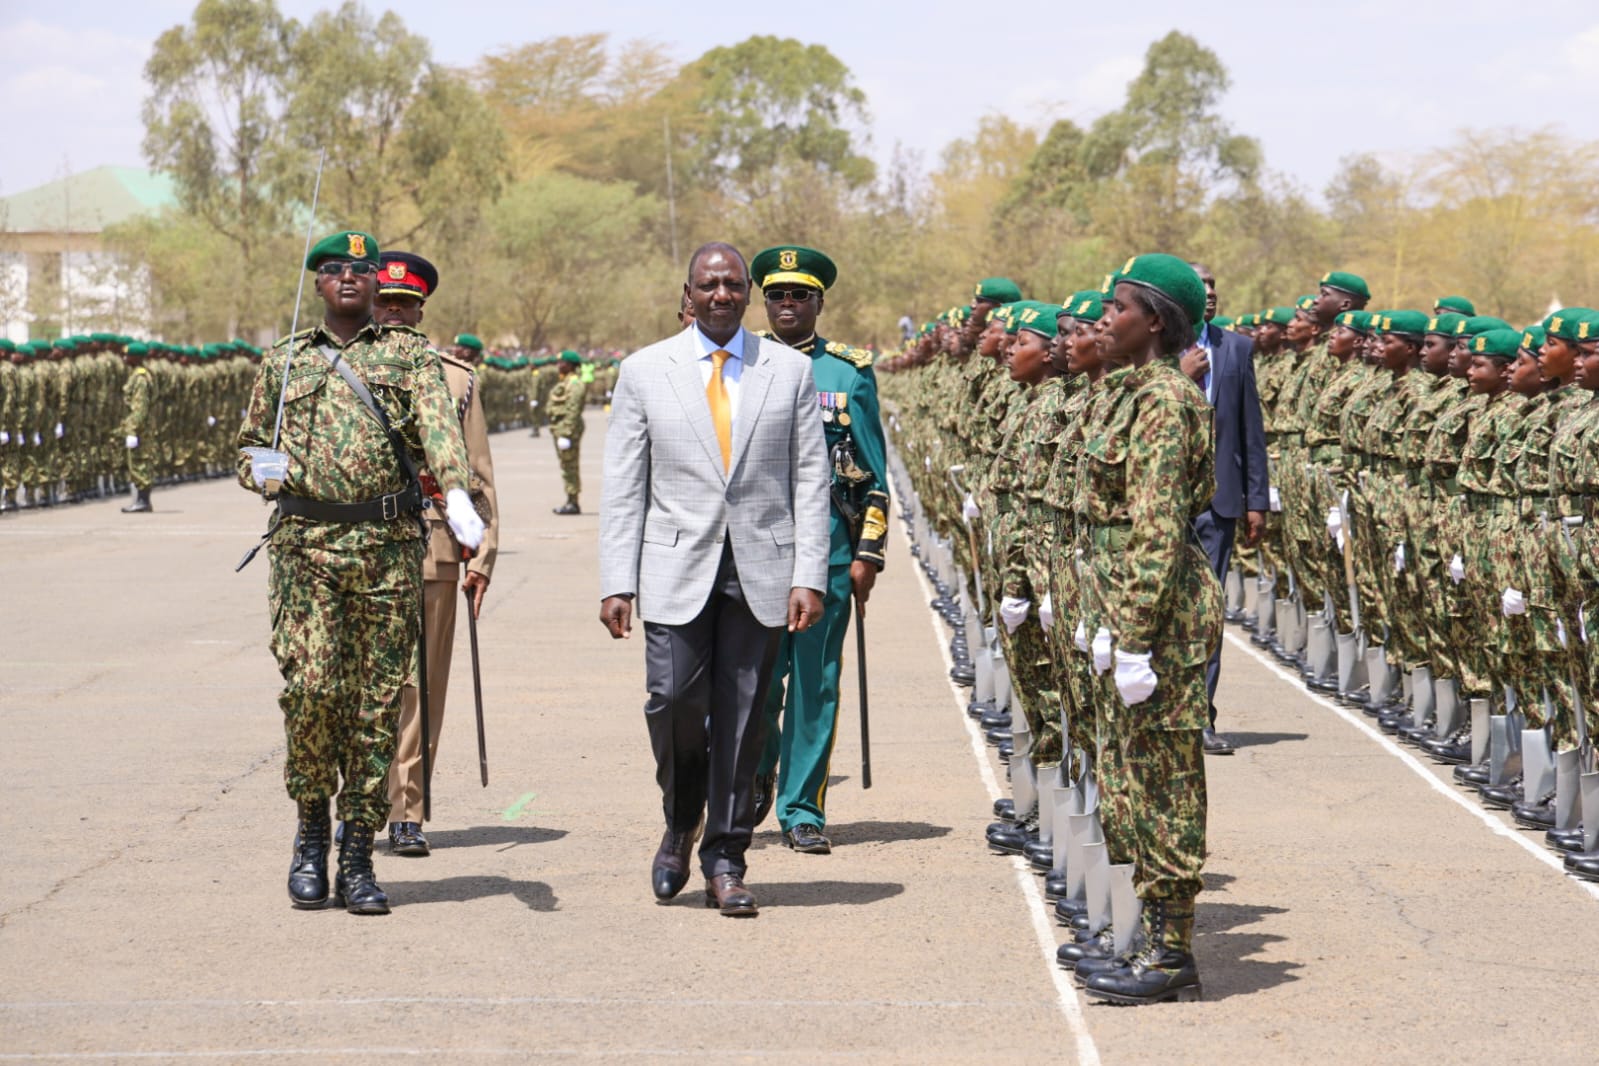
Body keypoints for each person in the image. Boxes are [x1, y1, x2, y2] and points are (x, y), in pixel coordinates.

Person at [235, 230, 483, 916]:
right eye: (335, 269)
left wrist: (456, 492)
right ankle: (312, 831)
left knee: (376, 706)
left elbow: (438, 428)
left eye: (362, 269)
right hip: (305, 548)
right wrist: (261, 470)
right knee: (313, 692)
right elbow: (249, 444)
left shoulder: (407, 357)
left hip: (384, 547)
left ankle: (356, 855)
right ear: (318, 283)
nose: (349, 278)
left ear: (378, 283)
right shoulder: (283, 361)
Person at [598, 241, 829, 917]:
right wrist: (617, 581)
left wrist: (807, 573)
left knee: (743, 718)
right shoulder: (645, 371)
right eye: (709, 284)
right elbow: (623, 486)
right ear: (689, 293)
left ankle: (725, 858)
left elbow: (810, 477)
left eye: (733, 284)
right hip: (674, 565)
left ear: (748, 293)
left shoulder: (786, 371)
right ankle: (680, 820)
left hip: (760, 568)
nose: (722, 294)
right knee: (671, 701)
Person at [1072, 254, 1221, 1005]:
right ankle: (1140, 938)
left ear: (1153, 322)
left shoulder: (1164, 402)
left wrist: (1132, 637)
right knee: (1124, 781)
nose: (1104, 316)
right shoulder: (1123, 394)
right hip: (1121, 607)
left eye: (1118, 306)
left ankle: (1171, 953)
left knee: (1162, 786)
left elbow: (1156, 531)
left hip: (1158, 620)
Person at [748, 244, 889, 854]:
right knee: (753, 684)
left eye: (798, 294)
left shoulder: (847, 372)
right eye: (776, 294)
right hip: (752, 549)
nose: (786, 304)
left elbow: (874, 471)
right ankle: (756, 775)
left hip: (827, 549)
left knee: (813, 683)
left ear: (818, 302)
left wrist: (868, 553)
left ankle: (801, 806)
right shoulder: (739, 364)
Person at [373, 250, 499, 857]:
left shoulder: (454, 378)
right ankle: (359, 802)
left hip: (433, 545)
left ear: (421, 307)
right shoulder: (339, 369)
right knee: (359, 684)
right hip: (358, 547)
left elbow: (478, 476)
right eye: (385, 301)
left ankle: (407, 811)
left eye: (404, 303)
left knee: (421, 685)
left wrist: (481, 556)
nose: (394, 311)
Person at [1181, 264, 1269, 754]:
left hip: (1219, 500)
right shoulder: (1153, 349)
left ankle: (1202, 717)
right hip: (1165, 500)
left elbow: (1250, 429)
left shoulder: (1235, 347)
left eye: (1215, 287)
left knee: (1207, 611)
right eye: (1201, 287)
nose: (1211, 295)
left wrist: (1257, 500)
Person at [549, 350, 587, 515]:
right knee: (566, 466)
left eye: (562, 363)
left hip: (567, 431)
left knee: (570, 466)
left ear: (570, 365)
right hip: (561, 429)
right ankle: (570, 499)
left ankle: (573, 502)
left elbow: (573, 410)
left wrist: (566, 433)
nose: (559, 366)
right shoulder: (566, 382)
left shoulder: (575, 384)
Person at [120, 342, 154, 513]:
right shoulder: (137, 375)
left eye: (128, 355)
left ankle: (143, 501)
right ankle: (141, 500)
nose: (125, 358)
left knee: (140, 462)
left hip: (140, 428)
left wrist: (133, 430)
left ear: (137, 357)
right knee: (138, 462)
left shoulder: (140, 378)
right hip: (139, 426)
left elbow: (140, 407)